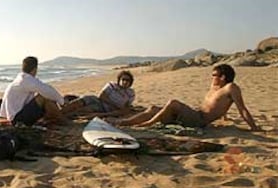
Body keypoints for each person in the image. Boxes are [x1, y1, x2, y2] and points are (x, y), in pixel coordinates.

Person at [110, 64, 261, 131]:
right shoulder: (215, 87)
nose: (212, 77)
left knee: (173, 103)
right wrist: (225, 117)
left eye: (214, 75)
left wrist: (254, 127)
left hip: (199, 121)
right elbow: (220, 104)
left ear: (223, 77)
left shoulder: (231, 87)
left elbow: (242, 108)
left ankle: (148, 124)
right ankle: (122, 123)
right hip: (194, 115)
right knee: (153, 108)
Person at [0, 56, 65, 126]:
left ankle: (53, 117)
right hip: (18, 120)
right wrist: (62, 102)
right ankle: (62, 119)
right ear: (35, 69)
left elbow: (44, 88)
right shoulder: (27, 80)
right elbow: (48, 90)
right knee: (43, 96)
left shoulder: (21, 78)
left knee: (43, 95)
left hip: (13, 116)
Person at [61, 70, 136, 117]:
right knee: (82, 100)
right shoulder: (112, 85)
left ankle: (64, 116)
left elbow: (125, 109)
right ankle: (61, 112)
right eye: (123, 79)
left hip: (105, 108)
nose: (125, 82)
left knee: (84, 110)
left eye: (128, 80)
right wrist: (115, 105)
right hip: (98, 100)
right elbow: (101, 96)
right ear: (119, 80)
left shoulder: (130, 93)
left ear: (130, 82)